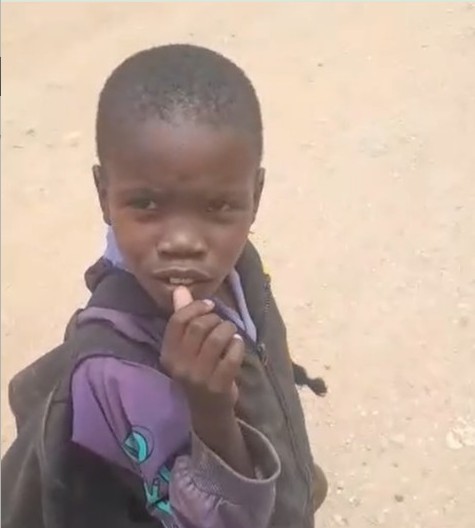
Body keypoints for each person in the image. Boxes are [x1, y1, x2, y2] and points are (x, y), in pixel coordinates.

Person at [1, 44, 327, 528]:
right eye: (147, 205)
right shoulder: (117, 376)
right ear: (104, 196)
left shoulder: (239, 267)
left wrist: (295, 480)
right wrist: (211, 415)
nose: (182, 243)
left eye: (218, 207)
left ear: (255, 197)